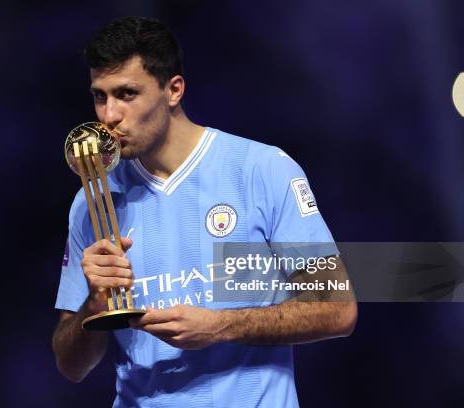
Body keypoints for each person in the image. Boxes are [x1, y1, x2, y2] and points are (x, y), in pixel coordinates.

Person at [52, 16, 357, 408]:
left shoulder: (260, 169)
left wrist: (219, 327)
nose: (108, 116)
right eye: (100, 96)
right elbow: (71, 365)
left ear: (173, 90)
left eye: (127, 94)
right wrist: (93, 305)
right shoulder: (92, 201)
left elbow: (338, 310)